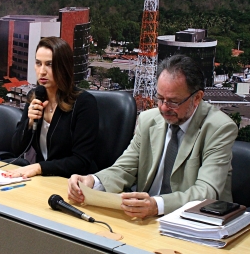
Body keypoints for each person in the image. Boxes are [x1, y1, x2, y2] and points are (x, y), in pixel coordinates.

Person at [68, 54, 238, 218]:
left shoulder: (219, 128)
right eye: (160, 98)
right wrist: (92, 181)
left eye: (172, 101)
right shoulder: (149, 120)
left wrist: (157, 205)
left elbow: (206, 192)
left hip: (195, 223)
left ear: (197, 98)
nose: (163, 108)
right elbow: (124, 169)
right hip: (146, 218)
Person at [4, 37, 99, 178]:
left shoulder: (84, 103)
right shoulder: (36, 95)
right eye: (38, 63)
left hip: (74, 182)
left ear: (63, 67)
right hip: (44, 179)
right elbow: (17, 148)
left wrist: (39, 167)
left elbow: (81, 161)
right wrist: (29, 123)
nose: (42, 71)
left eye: (49, 64)